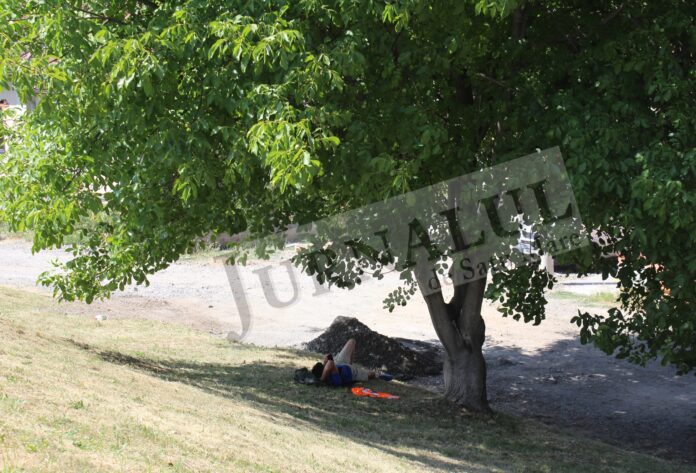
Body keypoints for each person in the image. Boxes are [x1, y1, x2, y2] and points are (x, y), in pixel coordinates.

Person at [311, 338, 391, 386]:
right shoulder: (333, 380)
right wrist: (322, 379)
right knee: (371, 374)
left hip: (340, 363)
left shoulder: (328, 369)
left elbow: (329, 358)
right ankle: (378, 375)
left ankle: (351, 363)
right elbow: (330, 364)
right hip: (352, 372)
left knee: (352, 341)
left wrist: (326, 361)